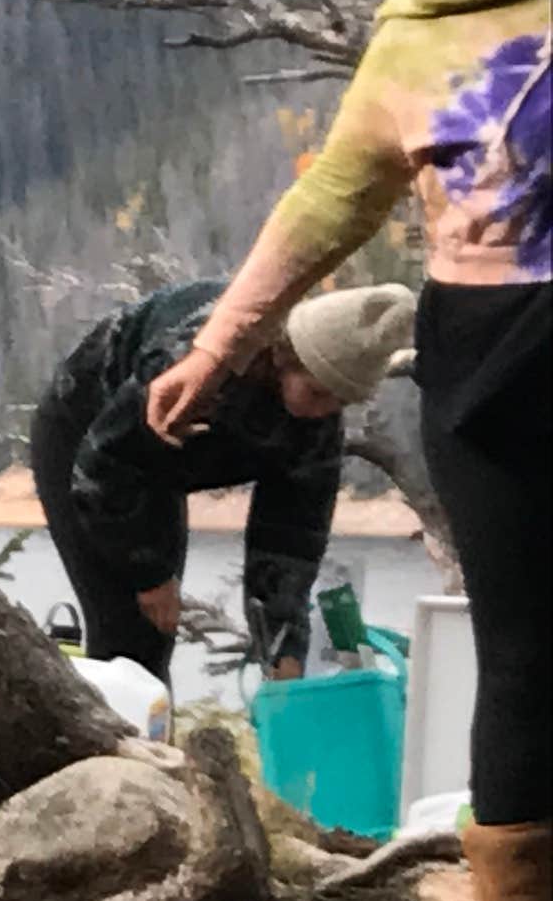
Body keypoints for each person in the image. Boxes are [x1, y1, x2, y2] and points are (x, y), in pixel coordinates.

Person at [146, 0, 552, 901]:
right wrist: (219, 348)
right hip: (488, 365)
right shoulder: (420, 28)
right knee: (528, 647)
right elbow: (327, 203)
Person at [27, 276, 415, 678]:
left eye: (340, 402)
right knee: (128, 628)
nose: (324, 411)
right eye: (317, 393)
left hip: (157, 465)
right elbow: (104, 471)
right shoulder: (194, 366)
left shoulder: (316, 430)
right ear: (283, 357)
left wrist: (282, 653)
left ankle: (145, 736)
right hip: (84, 436)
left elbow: (290, 541)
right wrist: (150, 575)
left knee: (156, 641)